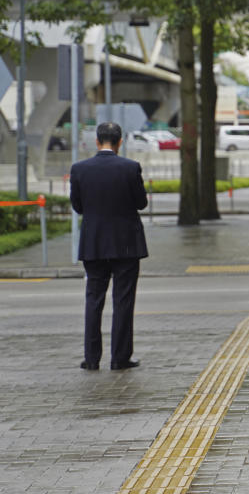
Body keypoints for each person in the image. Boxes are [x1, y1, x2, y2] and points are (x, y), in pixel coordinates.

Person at [70, 121, 148, 371]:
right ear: (119, 142)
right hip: (126, 244)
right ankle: (120, 358)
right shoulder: (130, 168)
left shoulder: (80, 169)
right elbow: (141, 203)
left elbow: (78, 206)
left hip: (93, 244)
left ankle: (91, 358)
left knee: (93, 300)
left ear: (97, 141)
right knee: (123, 301)